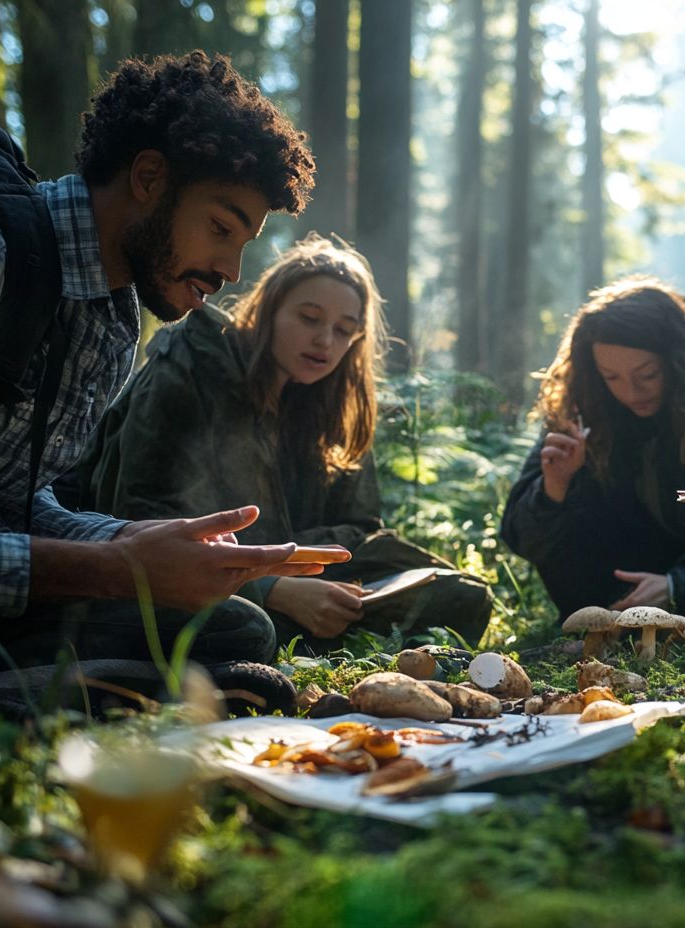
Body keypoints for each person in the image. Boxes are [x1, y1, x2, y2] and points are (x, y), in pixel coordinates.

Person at [0, 51, 327, 678]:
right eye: (219, 227)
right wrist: (114, 569)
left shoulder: (113, 319)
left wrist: (128, 542)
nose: (231, 272)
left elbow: (7, 498)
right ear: (150, 178)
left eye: (243, 245)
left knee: (235, 631)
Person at [70, 234, 494, 649]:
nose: (325, 341)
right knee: (247, 626)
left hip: (302, 571)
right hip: (179, 581)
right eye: (309, 318)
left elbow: (362, 527)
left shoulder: (332, 401)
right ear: (269, 310)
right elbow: (137, 516)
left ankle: (334, 639)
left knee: (463, 595)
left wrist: (301, 564)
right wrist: (274, 585)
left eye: (344, 330)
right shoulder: (190, 367)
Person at [501, 277, 685, 625]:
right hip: (609, 601)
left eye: (647, 374)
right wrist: (553, 489)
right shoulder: (587, 396)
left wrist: (678, 583)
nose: (631, 392)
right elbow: (522, 538)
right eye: (612, 377)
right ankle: (597, 631)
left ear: (676, 360)